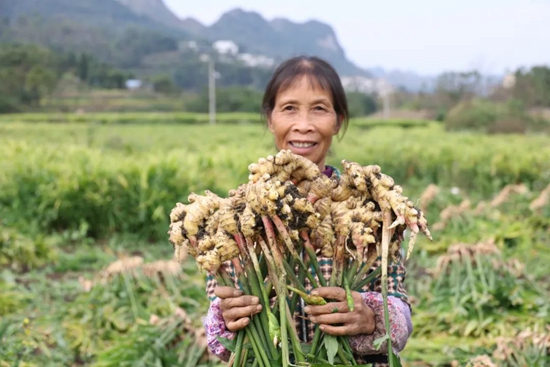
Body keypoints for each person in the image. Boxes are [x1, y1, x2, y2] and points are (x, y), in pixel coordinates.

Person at [202, 56, 413, 367]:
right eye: (289, 108)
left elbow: (400, 315)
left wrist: (370, 317)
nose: (303, 125)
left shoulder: (370, 209)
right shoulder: (235, 217)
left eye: (319, 108)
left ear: (338, 120)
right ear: (270, 118)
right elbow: (218, 339)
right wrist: (225, 318)